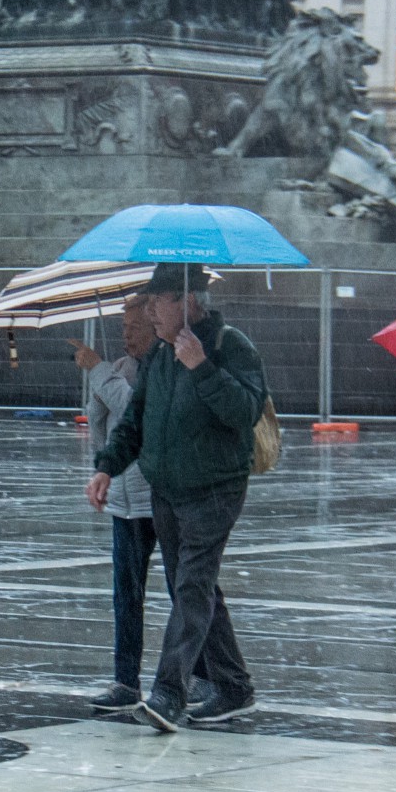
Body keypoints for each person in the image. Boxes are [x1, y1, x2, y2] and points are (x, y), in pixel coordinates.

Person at [85, 263, 268, 732]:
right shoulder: (161, 356)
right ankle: (234, 687)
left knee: (190, 588)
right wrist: (108, 465)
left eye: (155, 302)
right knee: (196, 588)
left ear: (186, 301)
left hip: (215, 488)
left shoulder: (231, 346)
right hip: (167, 490)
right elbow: (136, 420)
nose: (148, 312)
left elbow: (244, 411)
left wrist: (202, 367)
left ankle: (170, 691)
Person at [72, 295, 187, 712]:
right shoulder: (121, 368)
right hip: (125, 498)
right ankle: (126, 680)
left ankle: (199, 677)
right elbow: (105, 426)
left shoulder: (163, 365)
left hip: (157, 495)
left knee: (185, 591)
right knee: (126, 593)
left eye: (134, 329)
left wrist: (97, 369)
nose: (127, 337)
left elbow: (132, 411)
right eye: (123, 330)